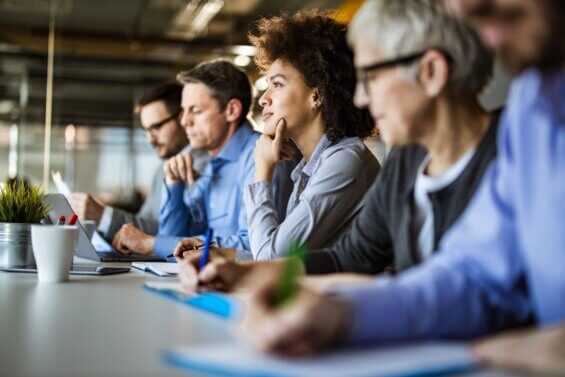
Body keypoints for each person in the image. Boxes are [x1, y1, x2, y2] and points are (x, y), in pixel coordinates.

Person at [237, 0, 565, 373]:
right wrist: (342, 316)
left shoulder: (350, 159)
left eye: (371, 78)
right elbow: (472, 274)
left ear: (430, 72)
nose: (465, 7)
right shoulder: (533, 99)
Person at [177, 2, 500, 292]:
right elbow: (354, 256)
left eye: (371, 78)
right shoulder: (408, 156)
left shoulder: (508, 157)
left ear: (431, 71)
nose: (361, 98)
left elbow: (474, 294)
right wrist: (242, 273)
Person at [111, 60, 293, 260]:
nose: (184, 121)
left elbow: (253, 246)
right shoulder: (211, 163)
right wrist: (175, 186)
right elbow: (175, 238)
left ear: (232, 110)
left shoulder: (263, 157)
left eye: (195, 111)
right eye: (183, 111)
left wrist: (151, 244)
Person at [68, 83, 207, 239]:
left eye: (157, 127)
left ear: (183, 119)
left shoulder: (205, 166)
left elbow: (174, 235)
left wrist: (104, 216)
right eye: (146, 130)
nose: (150, 139)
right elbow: (144, 224)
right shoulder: (161, 171)